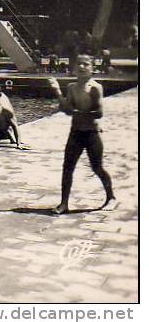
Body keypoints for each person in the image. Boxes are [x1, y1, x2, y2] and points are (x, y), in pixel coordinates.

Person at [48, 55, 115, 215]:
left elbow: (98, 113)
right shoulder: (71, 87)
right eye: (79, 63)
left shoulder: (95, 88)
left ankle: (111, 197)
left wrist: (75, 112)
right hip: (76, 132)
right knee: (67, 168)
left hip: (92, 133)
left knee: (97, 167)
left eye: (86, 64)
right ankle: (64, 203)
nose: (82, 67)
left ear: (92, 68)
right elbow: (66, 110)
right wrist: (57, 91)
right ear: (74, 67)